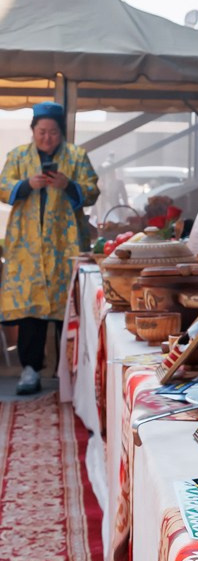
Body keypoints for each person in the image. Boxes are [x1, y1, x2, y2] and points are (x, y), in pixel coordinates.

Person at [1, 102, 100, 395]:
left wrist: (69, 185)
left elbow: (92, 190)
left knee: (66, 308)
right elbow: (3, 187)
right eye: (42, 132)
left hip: (65, 246)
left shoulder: (77, 156)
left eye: (53, 132)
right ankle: (30, 370)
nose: (47, 138)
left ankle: (68, 372)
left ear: (62, 133)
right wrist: (26, 184)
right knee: (31, 311)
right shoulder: (18, 156)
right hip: (27, 248)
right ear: (33, 131)